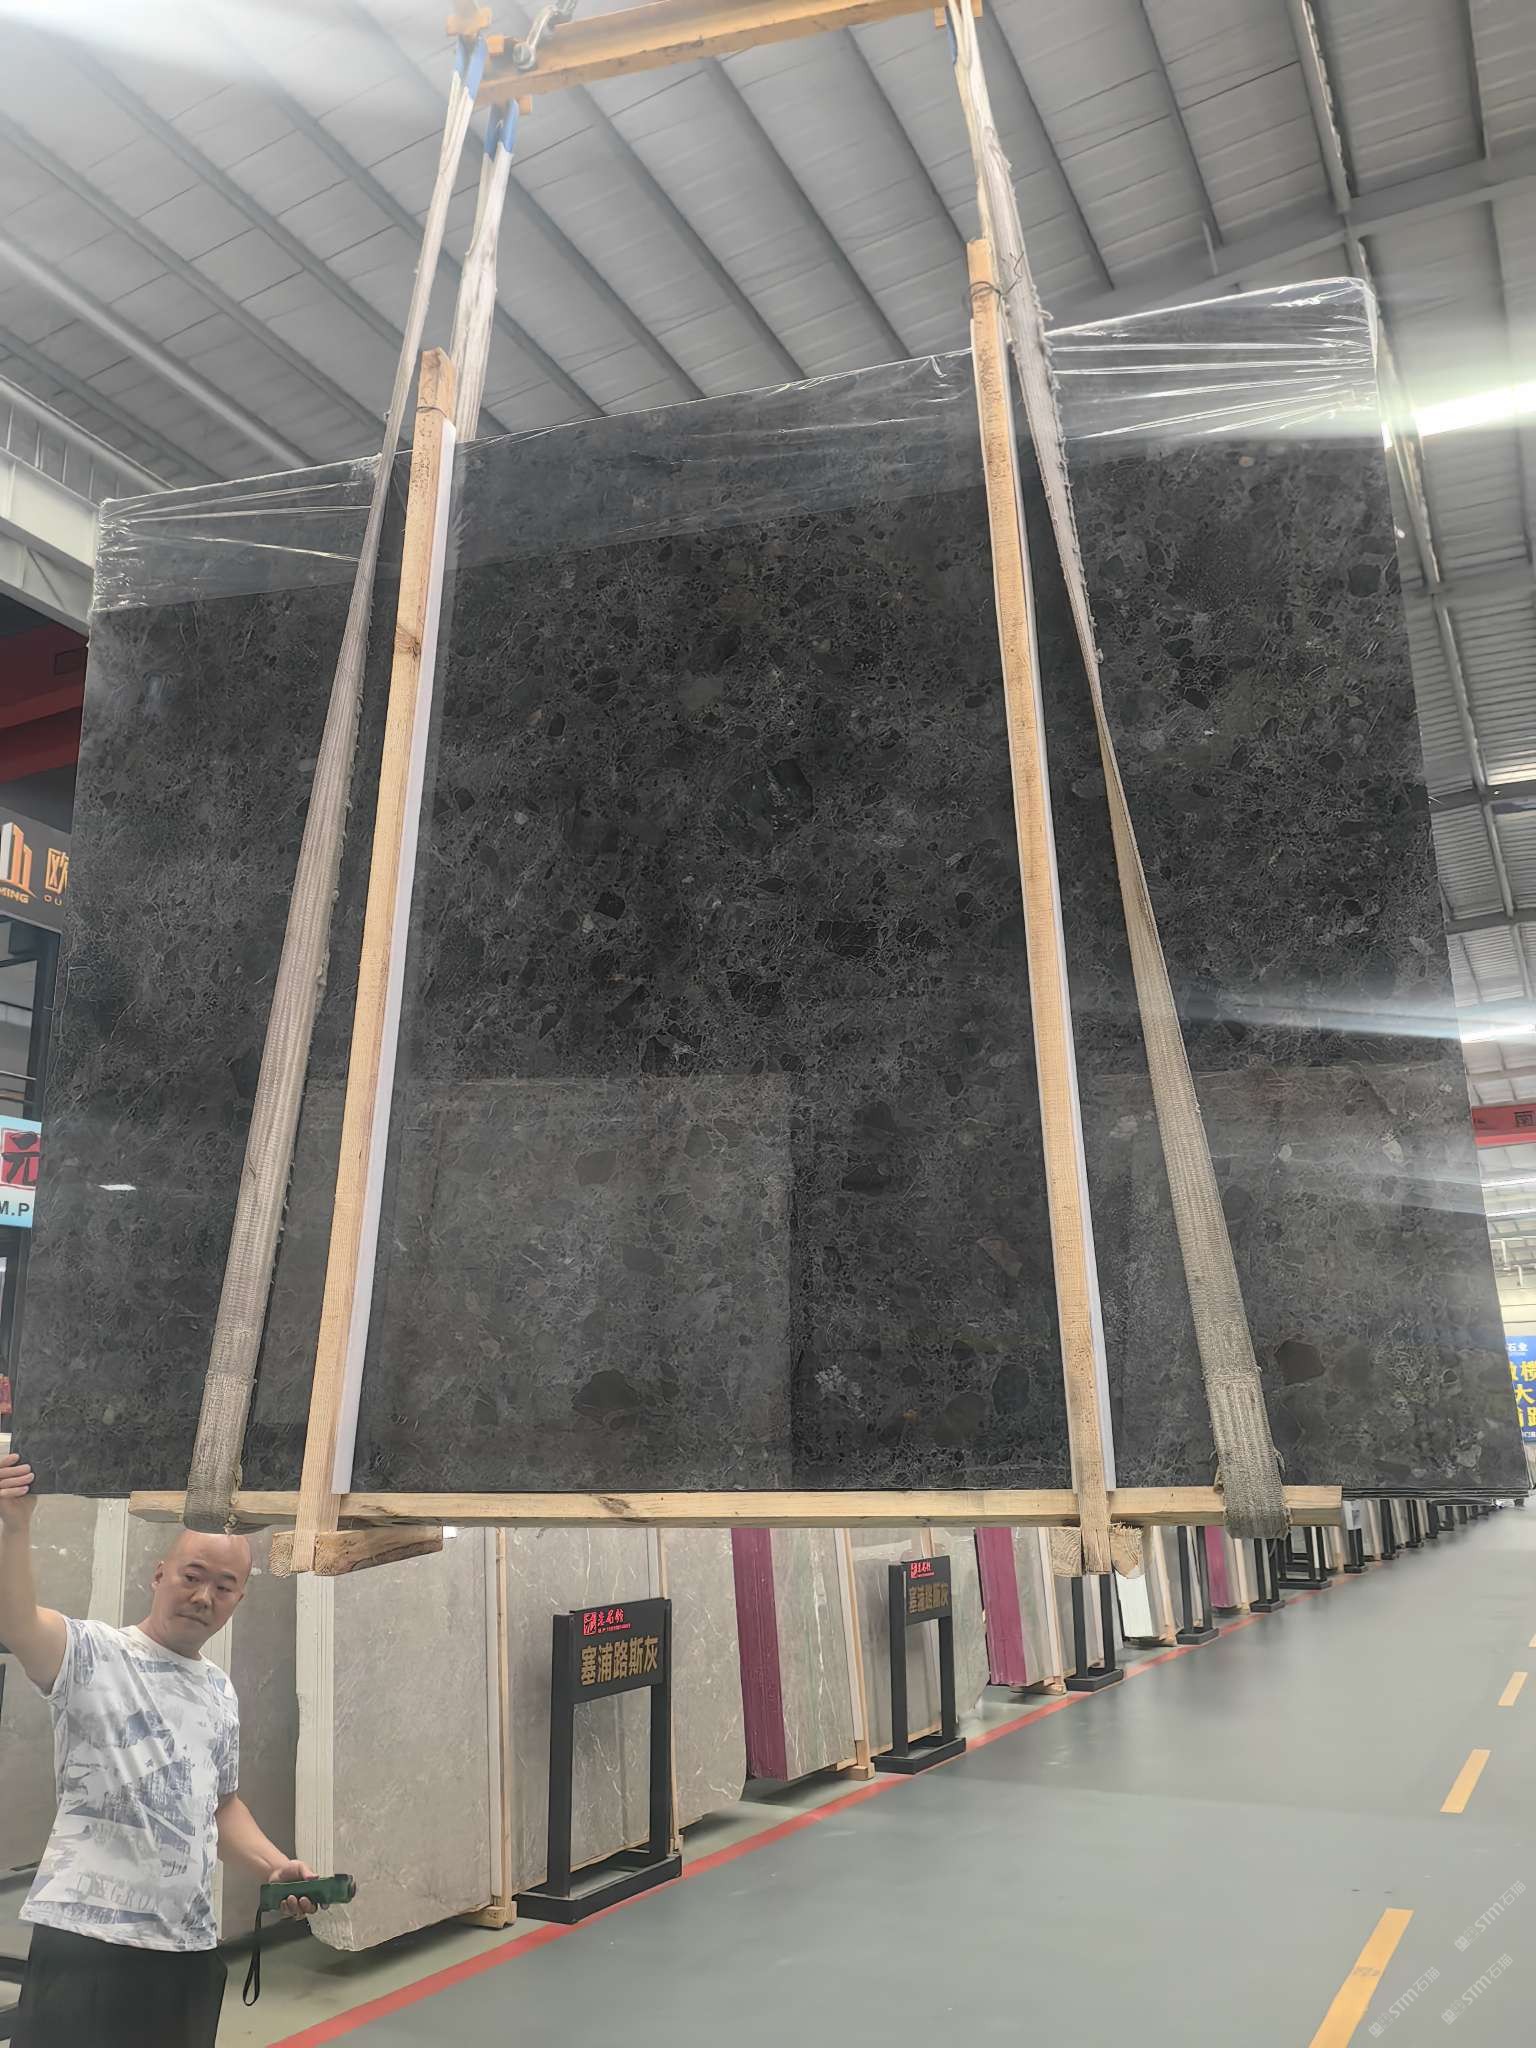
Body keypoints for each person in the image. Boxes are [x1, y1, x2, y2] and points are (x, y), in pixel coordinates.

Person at [0, 1448, 319, 2047]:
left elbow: (220, 1805)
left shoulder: (218, 1689)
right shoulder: (93, 1654)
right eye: (191, 1576)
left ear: (238, 1600)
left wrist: (274, 1866)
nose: (203, 1596)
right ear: (159, 1575)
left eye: (224, 1586)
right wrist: (14, 1529)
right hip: (87, 1944)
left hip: (187, 1947)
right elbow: (16, 1622)